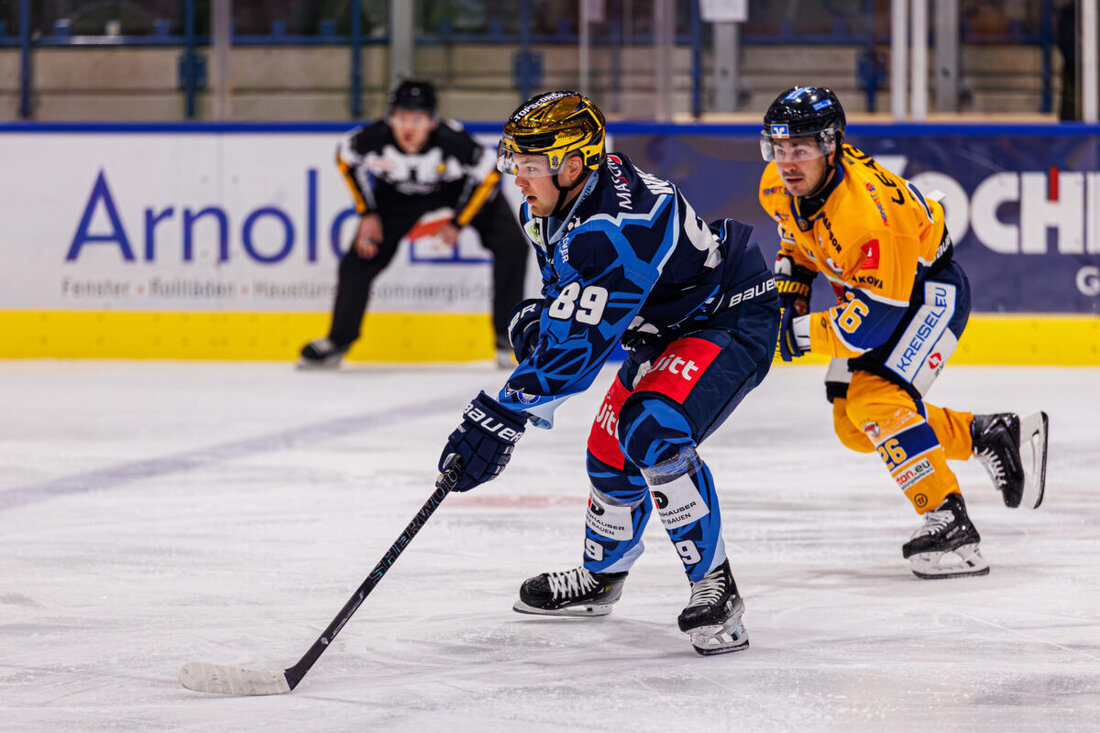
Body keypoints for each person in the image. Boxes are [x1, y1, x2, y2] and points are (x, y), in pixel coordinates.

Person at [435, 91, 782, 655]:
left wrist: (501, 415)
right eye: (514, 163)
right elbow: (570, 299)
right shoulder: (549, 207)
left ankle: (716, 588)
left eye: (527, 166)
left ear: (571, 165)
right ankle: (601, 577)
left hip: (728, 319)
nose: (517, 180)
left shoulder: (621, 225)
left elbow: (578, 353)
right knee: (608, 449)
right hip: (664, 328)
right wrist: (543, 316)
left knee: (650, 426)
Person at [757, 86, 1050, 579]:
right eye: (778, 148)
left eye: (801, 149)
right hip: (882, 295)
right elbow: (798, 244)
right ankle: (988, 434)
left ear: (831, 146)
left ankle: (949, 521)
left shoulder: (869, 218)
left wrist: (797, 333)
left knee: (876, 402)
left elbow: (872, 322)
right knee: (853, 426)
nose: (787, 162)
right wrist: (792, 295)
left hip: (927, 295)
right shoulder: (781, 184)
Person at [299, 80, 527, 368]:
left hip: (455, 191)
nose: (408, 128)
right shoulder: (373, 137)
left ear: (432, 122)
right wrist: (367, 212)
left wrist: (458, 223)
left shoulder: (452, 140)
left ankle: (506, 338)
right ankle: (338, 340)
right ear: (389, 118)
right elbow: (344, 159)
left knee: (512, 245)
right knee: (360, 257)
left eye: (418, 120)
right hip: (396, 197)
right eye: (402, 118)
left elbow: (489, 175)